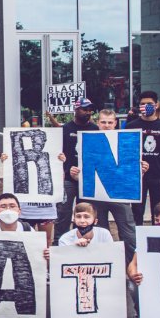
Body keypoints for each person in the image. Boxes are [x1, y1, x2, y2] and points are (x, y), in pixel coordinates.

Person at [74, 109, 142, 260]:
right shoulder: (86, 140)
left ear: (115, 123)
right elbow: (83, 168)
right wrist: (76, 173)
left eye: (110, 122)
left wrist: (140, 169)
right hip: (96, 196)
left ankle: (131, 265)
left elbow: (131, 166)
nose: (106, 125)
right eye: (103, 122)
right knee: (100, 233)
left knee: (128, 233)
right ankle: (105, 264)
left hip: (120, 195)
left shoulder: (126, 140)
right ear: (97, 123)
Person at [131, 90, 160, 225]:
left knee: (158, 211)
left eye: (149, 103)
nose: (146, 106)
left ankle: (156, 239)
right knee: (137, 212)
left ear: (156, 105)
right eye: (143, 104)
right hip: (138, 177)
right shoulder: (132, 126)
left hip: (159, 175)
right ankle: (137, 240)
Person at [55, 99, 98, 237]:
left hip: (87, 180)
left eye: (90, 110)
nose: (88, 113)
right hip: (68, 179)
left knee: (84, 213)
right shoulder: (65, 129)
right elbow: (57, 152)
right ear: (76, 109)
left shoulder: (94, 129)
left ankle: (82, 238)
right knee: (63, 213)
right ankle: (59, 242)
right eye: (85, 109)